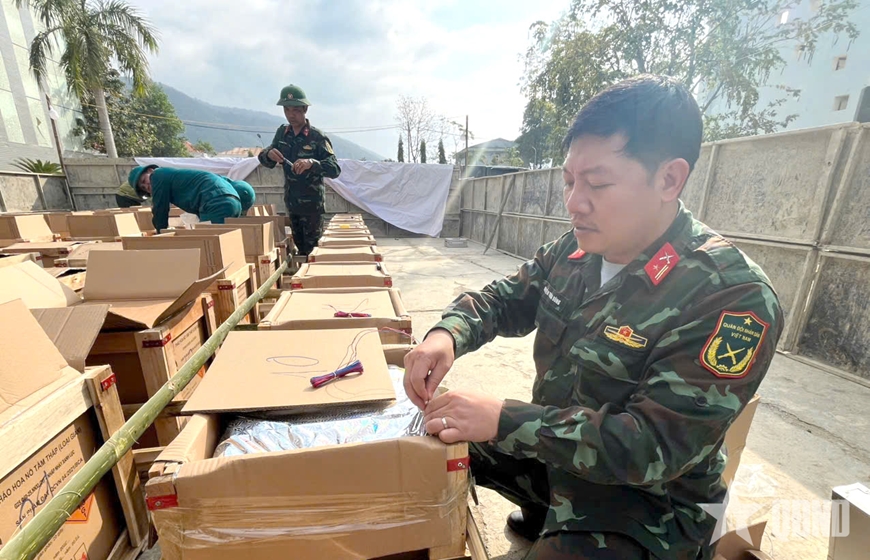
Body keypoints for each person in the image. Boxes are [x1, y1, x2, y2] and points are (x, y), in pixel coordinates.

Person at [403, 75, 783, 560]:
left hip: (650, 505)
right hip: (561, 456)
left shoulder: (731, 297)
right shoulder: (577, 249)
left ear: (669, 179)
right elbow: (504, 299)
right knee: (430, 432)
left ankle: (564, 529)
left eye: (598, 183)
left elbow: (652, 447)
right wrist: (446, 334)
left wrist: (503, 419)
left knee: (490, 425)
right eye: (569, 181)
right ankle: (548, 511)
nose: (574, 202)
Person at [257, 84, 340, 256]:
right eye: (287, 110)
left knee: (313, 253)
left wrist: (312, 163)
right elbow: (264, 157)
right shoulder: (282, 134)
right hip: (292, 203)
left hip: (312, 207)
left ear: (305, 110)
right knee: (300, 250)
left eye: (295, 110)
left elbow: (334, 169)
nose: (291, 115)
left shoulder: (317, 137)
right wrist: (269, 155)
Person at [128, 165, 245, 232]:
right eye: (144, 188)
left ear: (150, 171)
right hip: (231, 200)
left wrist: (160, 234)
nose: (147, 186)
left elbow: (160, 209)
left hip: (216, 202)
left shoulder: (157, 176)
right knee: (226, 243)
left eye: (144, 180)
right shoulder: (172, 176)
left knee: (208, 245)